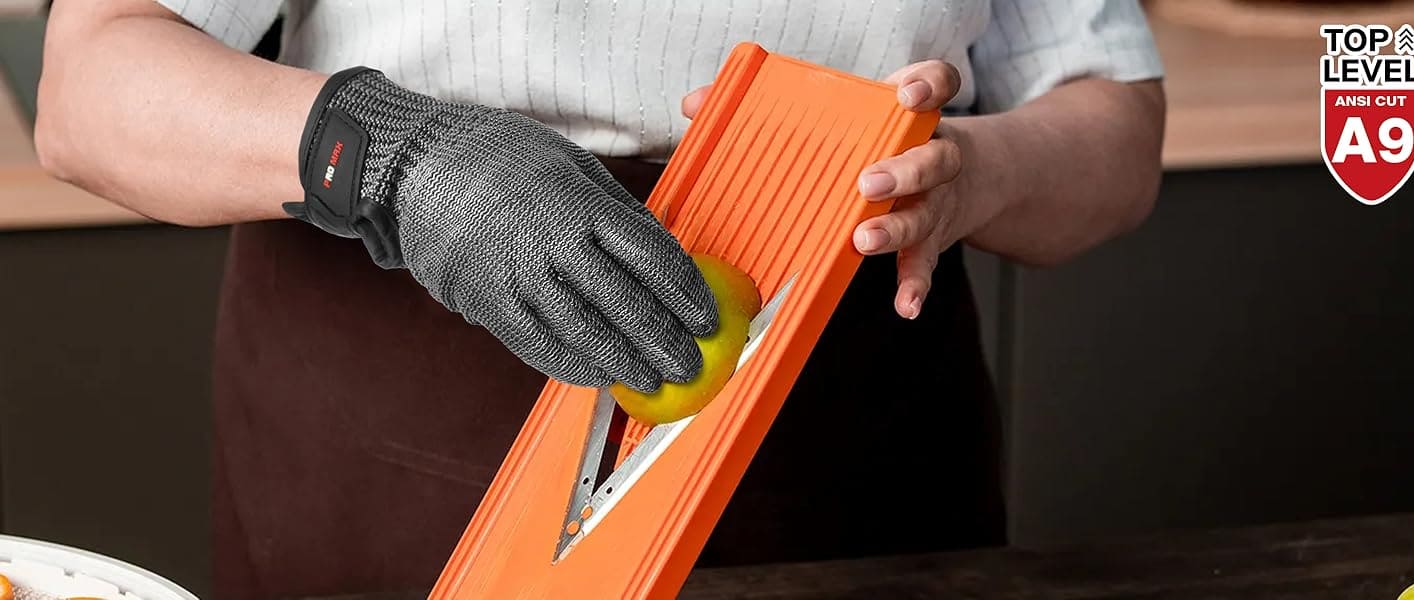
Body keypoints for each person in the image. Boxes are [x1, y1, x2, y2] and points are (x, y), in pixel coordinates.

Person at [34, 1, 1166, 598]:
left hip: (856, 448)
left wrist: (980, 172)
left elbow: (1113, 119)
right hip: (399, 426)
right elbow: (92, 83)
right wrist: (403, 157)